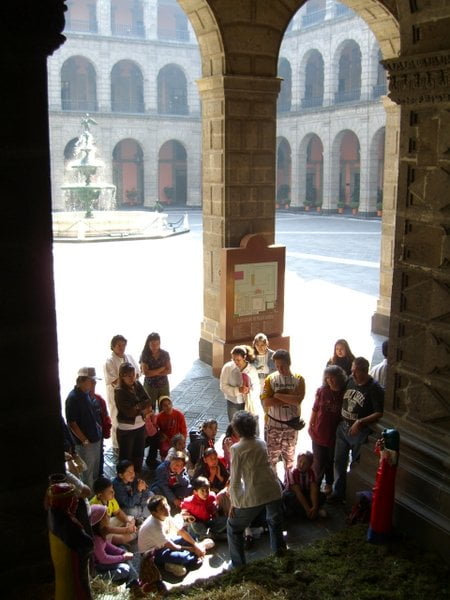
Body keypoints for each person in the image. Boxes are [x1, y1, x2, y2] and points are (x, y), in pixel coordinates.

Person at [227, 410, 285, 568]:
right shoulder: (261, 442)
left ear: (236, 430)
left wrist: (234, 502)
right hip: (273, 489)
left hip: (256, 493)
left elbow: (235, 479)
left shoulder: (236, 449)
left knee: (233, 527)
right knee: (274, 523)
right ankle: (281, 557)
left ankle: (239, 566)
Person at [329, 357, 384, 503]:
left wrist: (360, 422)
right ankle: (338, 492)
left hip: (359, 432)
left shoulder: (374, 388)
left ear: (364, 371)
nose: (352, 374)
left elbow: (379, 412)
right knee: (339, 461)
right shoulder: (350, 381)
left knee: (355, 464)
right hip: (343, 427)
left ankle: (353, 496)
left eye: (355, 371)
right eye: (352, 370)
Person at [138, 495, 213, 578]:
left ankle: (199, 548)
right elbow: (174, 547)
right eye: (161, 508)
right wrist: (194, 549)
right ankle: (170, 564)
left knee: (189, 537)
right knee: (183, 557)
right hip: (153, 553)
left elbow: (181, 531)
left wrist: (196, 545)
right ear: (154, 513)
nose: (166, 509)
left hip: (163, 544)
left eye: (166, 505)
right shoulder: (154, 526)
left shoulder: (165, 515)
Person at [261, 349, 306, 473]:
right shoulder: (270, 379)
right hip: (273, 425)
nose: (280, 369)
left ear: (289, 363)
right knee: (271, 459)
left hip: (291, 427)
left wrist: (277, 395)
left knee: (289, 459)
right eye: (277, 366)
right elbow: (266, 402)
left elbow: (298, 400)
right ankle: (274, 485)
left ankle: (289, 484)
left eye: (283, 366)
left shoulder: (298, 379)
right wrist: (288, 397)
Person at [308, 365, 347, 495]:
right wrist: (310, 425)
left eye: (333, 378)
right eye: (328, 378)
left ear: (339, 378)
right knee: (318, 461)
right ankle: (315, 485)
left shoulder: (344, 393)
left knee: (331, 461)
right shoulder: (322, 391)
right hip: (319, 433)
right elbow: (315, 409)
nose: (330, 381)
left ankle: (329, 484)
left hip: (334, 435)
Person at [65, 367, 103, 490]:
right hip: (85, 443)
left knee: (96, 469)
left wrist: (97, 426)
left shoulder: (85, 393)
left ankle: (97, 496)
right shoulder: (73, 398)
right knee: (87, 473)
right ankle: (90, 498)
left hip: (95, 437)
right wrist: (84, 440)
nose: (93, 383)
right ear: (82, 380)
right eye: (91, 381)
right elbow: (72, 423)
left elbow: (90, 412)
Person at [103, 334, 140, 452]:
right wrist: (128, 381)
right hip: (117, 395)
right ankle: (117, 446)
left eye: (123, 345)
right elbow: (113, 380)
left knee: (131, 415)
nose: (122, 347)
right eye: (119, 345)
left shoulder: (128, 357)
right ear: (113, 346)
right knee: (116, 418)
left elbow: (138, 372)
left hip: (132, 393)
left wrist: (132, 381)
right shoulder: (109, 362)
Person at [115, 362, 153, 474]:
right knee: (126, 457)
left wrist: (137, 407)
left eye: (133, 375)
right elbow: (129, 412)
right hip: (127, 429)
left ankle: (137, 477)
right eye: (129, 376)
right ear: (122, 376)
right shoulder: (119, 391)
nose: (132, 378)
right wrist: (142, 408)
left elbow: (148, 399)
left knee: (139, 455)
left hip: (140, 426)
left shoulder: (137, 384)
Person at [90, 504, 135, 585]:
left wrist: (122, 552)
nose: (109, 516)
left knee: (122, 548)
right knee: (125, 569)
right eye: (106, 516)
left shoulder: (101, 532)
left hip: (102, 561)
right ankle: (99, 578)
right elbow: (103, 559)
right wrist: (122, 557)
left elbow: (107, 545)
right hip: (98, 566)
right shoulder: (96, 539)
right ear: (100, 521)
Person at [219, 345, 261, 424]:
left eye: (238, 360)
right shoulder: (227, 367)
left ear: (244, 357)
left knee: (249, 427)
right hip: (233, 402)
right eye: (234, 359)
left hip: (248, 403)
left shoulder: (252, 369)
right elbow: (223, 386)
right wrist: (237, 390)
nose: (236, 362)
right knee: (234, 426)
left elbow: (257, 386)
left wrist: (249, 392)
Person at [90, 475, 137, 544]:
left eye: (112, 489)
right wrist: (125, 530)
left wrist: (128, 523)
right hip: (99, 533)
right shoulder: (96, 506)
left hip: (108, 524)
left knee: (130, 518)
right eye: (110, 491)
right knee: (123, 539)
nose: (113, 492)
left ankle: (132, 530)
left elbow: (118, 512)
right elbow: (105, 529)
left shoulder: (110, 499)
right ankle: (135, 533)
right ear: (100, 495)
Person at [282, 452, 327, 519]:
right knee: (288, 498)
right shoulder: (292, 472)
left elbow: (313, 489)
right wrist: (307, 509)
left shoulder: (312, 472)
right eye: (300, 461)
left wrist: (315, 506)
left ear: (310, 465)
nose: (301, 465)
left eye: (305, 463)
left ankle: (311, 511)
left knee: (322, 496)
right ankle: (310, 513)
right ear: (297, 461)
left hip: (305, 492)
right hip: (294, 494)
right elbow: (298, 492)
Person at [140, 332, 172, 411]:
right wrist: (162, 368)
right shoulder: (145, 355)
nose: (155, 346)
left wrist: (153, 372)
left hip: (163, 384)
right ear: (148, 344)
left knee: (165, 406)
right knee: (150, 408)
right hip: (150, 386)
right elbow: (146, 373)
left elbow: (169, 370)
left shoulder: (165, 354)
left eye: (157, 344)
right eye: (152, 344)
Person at [89, 373, 111, 477]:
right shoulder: (80, 400)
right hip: (88, 437)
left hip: (99, 433)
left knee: (100, 454)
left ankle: (100, 475)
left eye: (94, 384)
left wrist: (106, 430)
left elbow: (105, 416)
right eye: (92, 383)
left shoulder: (99, 399)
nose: (93, 386)